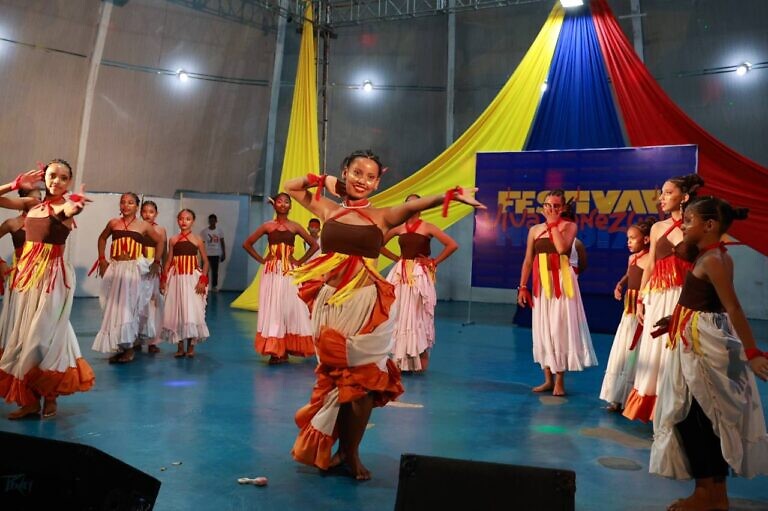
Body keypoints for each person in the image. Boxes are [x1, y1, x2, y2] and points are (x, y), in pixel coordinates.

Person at [284, 149, 485, 480]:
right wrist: (323, 180)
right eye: (357, 173)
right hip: (329, 306)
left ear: (378, 182)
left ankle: (350, 453)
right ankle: (337, 452)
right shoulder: (328, 209)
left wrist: (451, 195)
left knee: (363, 383)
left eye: (371, 176)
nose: (363, 180)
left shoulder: (382, 216)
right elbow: (293, 187)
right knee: (336, 382)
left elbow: (414, 206)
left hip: (364, 306)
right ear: (344, 173)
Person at [649, 196, 768, 511]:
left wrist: (753, 351)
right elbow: (701, 300)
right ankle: (713, 493)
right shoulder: (710, 256)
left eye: (689, 221)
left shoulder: (714, 259)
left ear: (710, 226)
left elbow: (732, 306)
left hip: (703, 347)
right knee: (698, 417)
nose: (684, 226)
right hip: (694, 338)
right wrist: (673, 320)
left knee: (695, 418)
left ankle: (708, 493)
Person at [0, 162, 94, 419]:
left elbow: (67, 210)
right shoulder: (33, 206)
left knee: (43, 339)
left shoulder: (65, 206)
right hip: (26, 278)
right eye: (52, 176)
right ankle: (30, 401)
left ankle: (50, 396)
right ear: (45, 178)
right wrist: (14, 185)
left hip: (52, 279)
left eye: (64, 178)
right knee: (21, 338)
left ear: (69, 182)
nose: (57, 181)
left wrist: (76, 205)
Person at [624, 174, 703, 422]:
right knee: (653, 352)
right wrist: (640, 300)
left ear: (685, 197)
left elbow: (699, 265)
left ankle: (675, 411)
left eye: (668, 192)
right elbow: (650, 266)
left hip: (683, 296)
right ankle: (655, 412)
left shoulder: (695, 227)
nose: (662, 198)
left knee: (677, 353)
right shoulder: (658, 227)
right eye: (662, 193)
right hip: (656, 296)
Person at [517, 189, 597, 396]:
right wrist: (522, 286)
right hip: (541, 284)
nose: (551, 209)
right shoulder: (534, 229)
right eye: (548, 205)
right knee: (543, 328)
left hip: (563, 283)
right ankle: (547, 379)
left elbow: (562, 249)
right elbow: (528, 260)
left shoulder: (569, 226)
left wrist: (553, 225)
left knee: (559, 329)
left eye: (556, 206)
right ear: (542, 207)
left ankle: (560, 381)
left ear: (563, 208)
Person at [380, 193, 458, 372]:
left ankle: (419, 356)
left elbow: (452, 244)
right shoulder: (399, 227)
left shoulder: (427, 227)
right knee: (398, 314)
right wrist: (395, 258)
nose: (412, 207)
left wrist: (434, 261)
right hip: (400, 274)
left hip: (418, 275)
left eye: (416, 204)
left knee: (417, 314)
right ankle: (399, 358)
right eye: (408, 204)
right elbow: (378, 243)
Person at [242, 193, 318, 364]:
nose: (283, 204)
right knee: (273, 308)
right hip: (272, 272)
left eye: (286, 202)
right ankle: (276, 351)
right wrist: (262, 260)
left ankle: (287, 347)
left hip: (289, 272)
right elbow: (247, 243)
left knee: (290, 307)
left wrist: (299, 261)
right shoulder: (267, 226)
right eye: (280, 202)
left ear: (290, 206)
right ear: (274, 205)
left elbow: (315, 245)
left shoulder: (295, 226)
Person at [91, 193, 165, 364]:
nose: (126, 205)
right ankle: (119, 345)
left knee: (127, 308)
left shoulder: (143, 226)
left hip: (132, 270)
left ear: (136, 206)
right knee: (112, 308)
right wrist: (102, 259)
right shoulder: (113, 223)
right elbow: (102, 238)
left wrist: (157, 261)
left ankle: (129, 348)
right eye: (123, 202)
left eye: (130, 203)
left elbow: (160, 241)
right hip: (115, 268)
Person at [599, 218, 655, 412]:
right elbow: (629, 274)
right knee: (621, 353)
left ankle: (628, 397)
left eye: (633, 238)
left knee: (634, 354)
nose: (629, 242)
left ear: (646, 239)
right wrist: (620, 284)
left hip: (640, 313)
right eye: (628, 238)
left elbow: (647, 282)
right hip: (628, 312)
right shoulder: (632, 258)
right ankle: (616, 396)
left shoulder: (650, 259)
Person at [161, 209, 210, 358]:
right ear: (177, 220)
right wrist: (164, 278)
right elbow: (169, 260)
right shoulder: (173, 240)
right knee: (178, 310)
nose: (184, 221)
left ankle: (191, 346)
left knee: (191, 310)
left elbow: (205, 261)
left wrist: (203, 279)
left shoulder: (197, 239)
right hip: (176, 279)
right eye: (181, 219)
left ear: (192, 221)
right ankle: (180, 346)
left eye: (188, 219)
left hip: (191, 279)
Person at [0, 187, 42, 355]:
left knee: (38, 317)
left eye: (40, 198)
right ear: (21, 202)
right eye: (33, 199)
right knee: (18, 316)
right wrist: (1, 262)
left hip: (42, 277)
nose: (37, 202)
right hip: (20, 277)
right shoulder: (12, 223)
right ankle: (16, 352)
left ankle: (33, 354)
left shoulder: (48, 223)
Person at [137, 201, 167, 354]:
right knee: (138, 302)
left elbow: (165, 254)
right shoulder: (137, 227)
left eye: (151, 211)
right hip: (138, 267)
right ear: (140, 212)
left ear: (156, 214)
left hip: (154, 268)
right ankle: (137, 337)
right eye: (145, 211)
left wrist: (164, 275)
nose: (148, 214)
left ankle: (152, 341)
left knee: (154, 305)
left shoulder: (160, 230)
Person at [201, 214, 225, 292]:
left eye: (213, 220)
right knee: (205, 271)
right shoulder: (204, 231)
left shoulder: (219, 231)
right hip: (206, 254)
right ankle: (205, 285)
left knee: (215, 271)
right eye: (210, 220)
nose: (212, 222)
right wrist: (202, 254)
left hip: (216, 254)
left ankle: (214, 286)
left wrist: (223, 253)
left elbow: (222, 242)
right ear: (209, 221)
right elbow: (202, 243)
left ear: (216, 221)